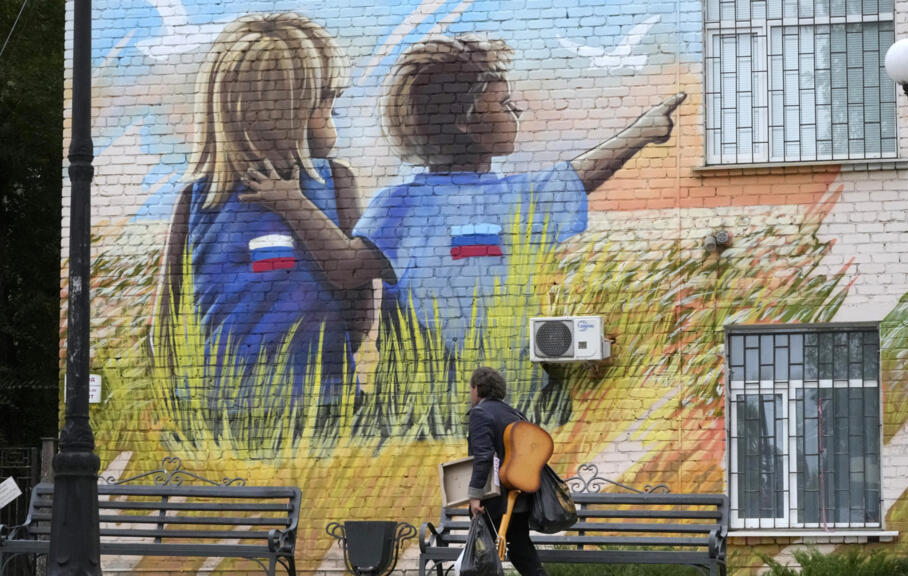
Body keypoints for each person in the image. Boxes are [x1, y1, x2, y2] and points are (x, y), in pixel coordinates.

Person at [351, 34, 687, 355]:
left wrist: (643, 130)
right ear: (463, 121)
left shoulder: (405, 203)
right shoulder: (401, 204)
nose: (517, 112)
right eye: (504, 103)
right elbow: (349, 269)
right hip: (424, 402)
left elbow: (577, 175)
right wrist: (643, 131)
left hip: (500, 389)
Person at [153, 12, 376, 409]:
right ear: (289, 113)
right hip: (316, 397)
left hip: (229, 401)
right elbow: (359, 302)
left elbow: (168, 314)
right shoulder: (334, 182)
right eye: (328, 107)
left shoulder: (197, 199)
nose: (332, 121)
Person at [467, 366, 546, 576]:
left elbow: (483, 456)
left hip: (494, 499)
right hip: (518, 496)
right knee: (521, 551)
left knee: (483, 556)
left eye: (471, 388)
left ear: (477, 388)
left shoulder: (479, 413)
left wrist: (475, 497)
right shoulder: (514, 413)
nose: (470, 393)